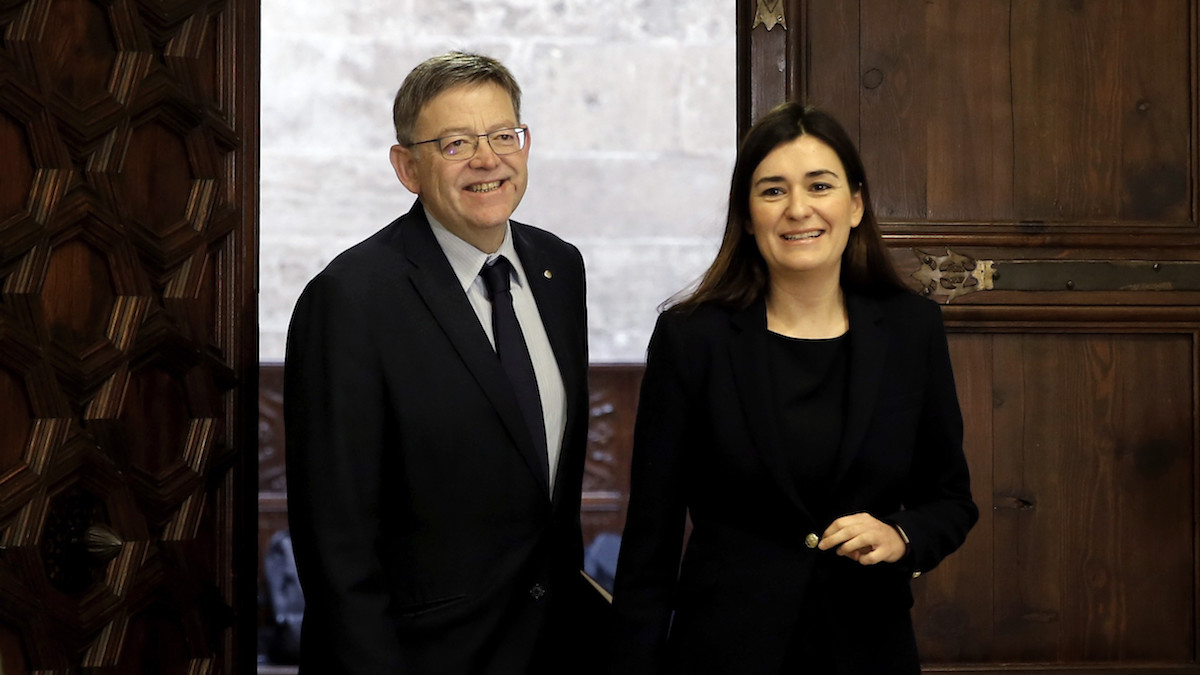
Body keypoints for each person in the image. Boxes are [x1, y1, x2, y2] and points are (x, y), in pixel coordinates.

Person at [609, 103, 978, 674]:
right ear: (748, 214)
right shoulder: (692, 338)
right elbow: (650, 540)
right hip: (723, 652)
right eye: (773, 190)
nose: (798, 209)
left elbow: (952, 500)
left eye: (820, 185)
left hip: (867, 647)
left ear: (855, 204)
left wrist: (902, 534)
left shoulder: (911, 329)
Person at [285, 51, 594, 674]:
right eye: (456, 143)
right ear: (407, 167)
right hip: (422, 656)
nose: (488, 159)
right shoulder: (350, 299)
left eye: (504, 135)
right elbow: (334, 544)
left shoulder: (561, 270)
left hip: (552, 650)